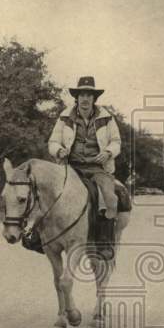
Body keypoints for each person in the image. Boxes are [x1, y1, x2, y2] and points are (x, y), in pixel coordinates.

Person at [47, 75, 121, 254]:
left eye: (89, 95)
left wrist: (108, 153)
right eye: (82, 95)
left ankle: (104, 243)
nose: (85, 99)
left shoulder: (106, 117)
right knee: (47, 193)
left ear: (94, 98)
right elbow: (53, 141)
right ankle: (40, 236)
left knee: (109, 198)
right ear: (77, 97)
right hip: (70, 167)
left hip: (97, 168)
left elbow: (116, 141)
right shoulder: (65, 116)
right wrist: (59, 151)